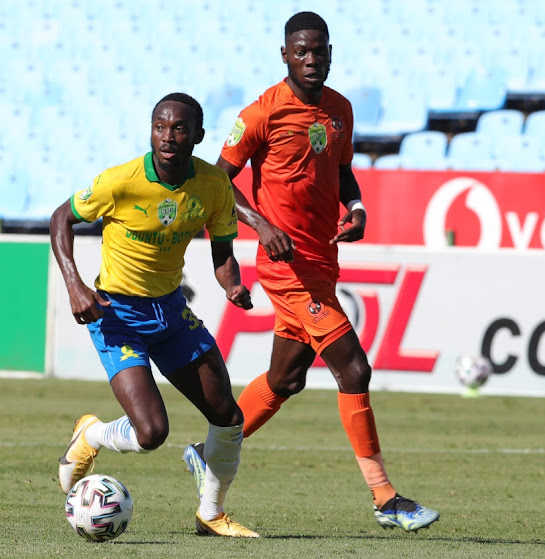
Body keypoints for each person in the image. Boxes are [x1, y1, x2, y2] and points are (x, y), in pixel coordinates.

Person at [182, 12, 439, 532]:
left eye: (319, 50)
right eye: (301, 51)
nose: (311, 59)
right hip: (285, 268)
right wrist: (259, 224)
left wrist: (358, 208)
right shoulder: (261, 113)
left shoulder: (340, 109)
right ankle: (386, 499)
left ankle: (203, 453)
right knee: (355, 369)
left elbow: (342, 170)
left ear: (329, 52)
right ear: (284, 55)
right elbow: (215, 179)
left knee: (286, 378)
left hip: (323, 261)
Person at [50, 92, 259, 538]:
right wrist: (75, 284)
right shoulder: (119, 181)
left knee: (227, 413)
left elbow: (223, 254)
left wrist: (232, 285)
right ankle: (91, 436)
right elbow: (60, 219)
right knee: (151, 432)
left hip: (169, 311)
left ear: (198, 136)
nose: (168, 136)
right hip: (117, 315)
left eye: (179, 128)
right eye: (160, 126)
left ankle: (211, 513)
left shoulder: (213, 185)